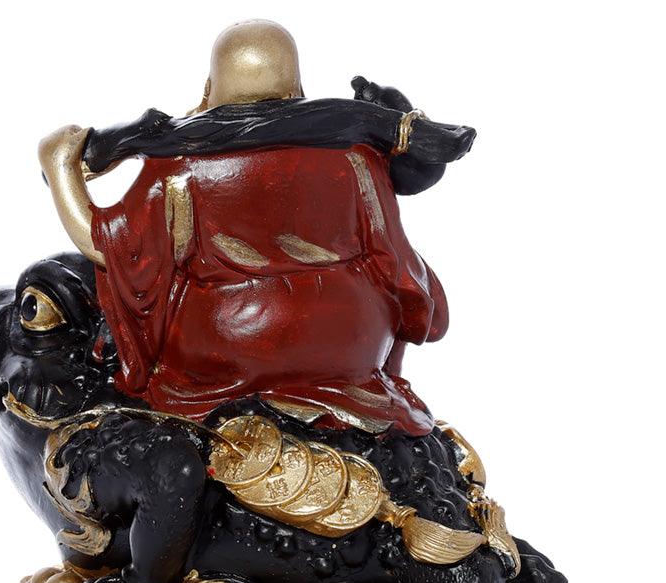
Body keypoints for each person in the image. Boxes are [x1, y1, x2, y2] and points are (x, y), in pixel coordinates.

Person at [39, 19, 475, 436]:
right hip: (351, 345)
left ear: (209, 90)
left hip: (233, 353)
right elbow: (390, 257)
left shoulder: (181, 169)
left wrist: (60, 168)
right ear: (297, 89)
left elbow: (109, 246)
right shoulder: (357, 158)